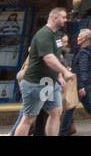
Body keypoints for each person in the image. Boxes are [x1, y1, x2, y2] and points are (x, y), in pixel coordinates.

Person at [12, 7, 73, 137]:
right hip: (36, 83)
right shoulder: (43, 34)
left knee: (56, 111)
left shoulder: (56, 35)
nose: (65, 20)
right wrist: (64, 71)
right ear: (54, 17)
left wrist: (60, 75)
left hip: (50, 83)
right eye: (63, 17)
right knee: (28, 118)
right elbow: (48, 57)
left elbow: (57, 56)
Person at [59, 28, 91, 135]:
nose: (77, 38)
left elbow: (83, 70)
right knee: (89, 107)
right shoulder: (90, 50)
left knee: (70, 108)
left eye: (80, 36)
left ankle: (62, 132)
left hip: (81, 85)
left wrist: (82, 86)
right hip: (87, 84)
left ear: (86, 39)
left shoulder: (84, 52)